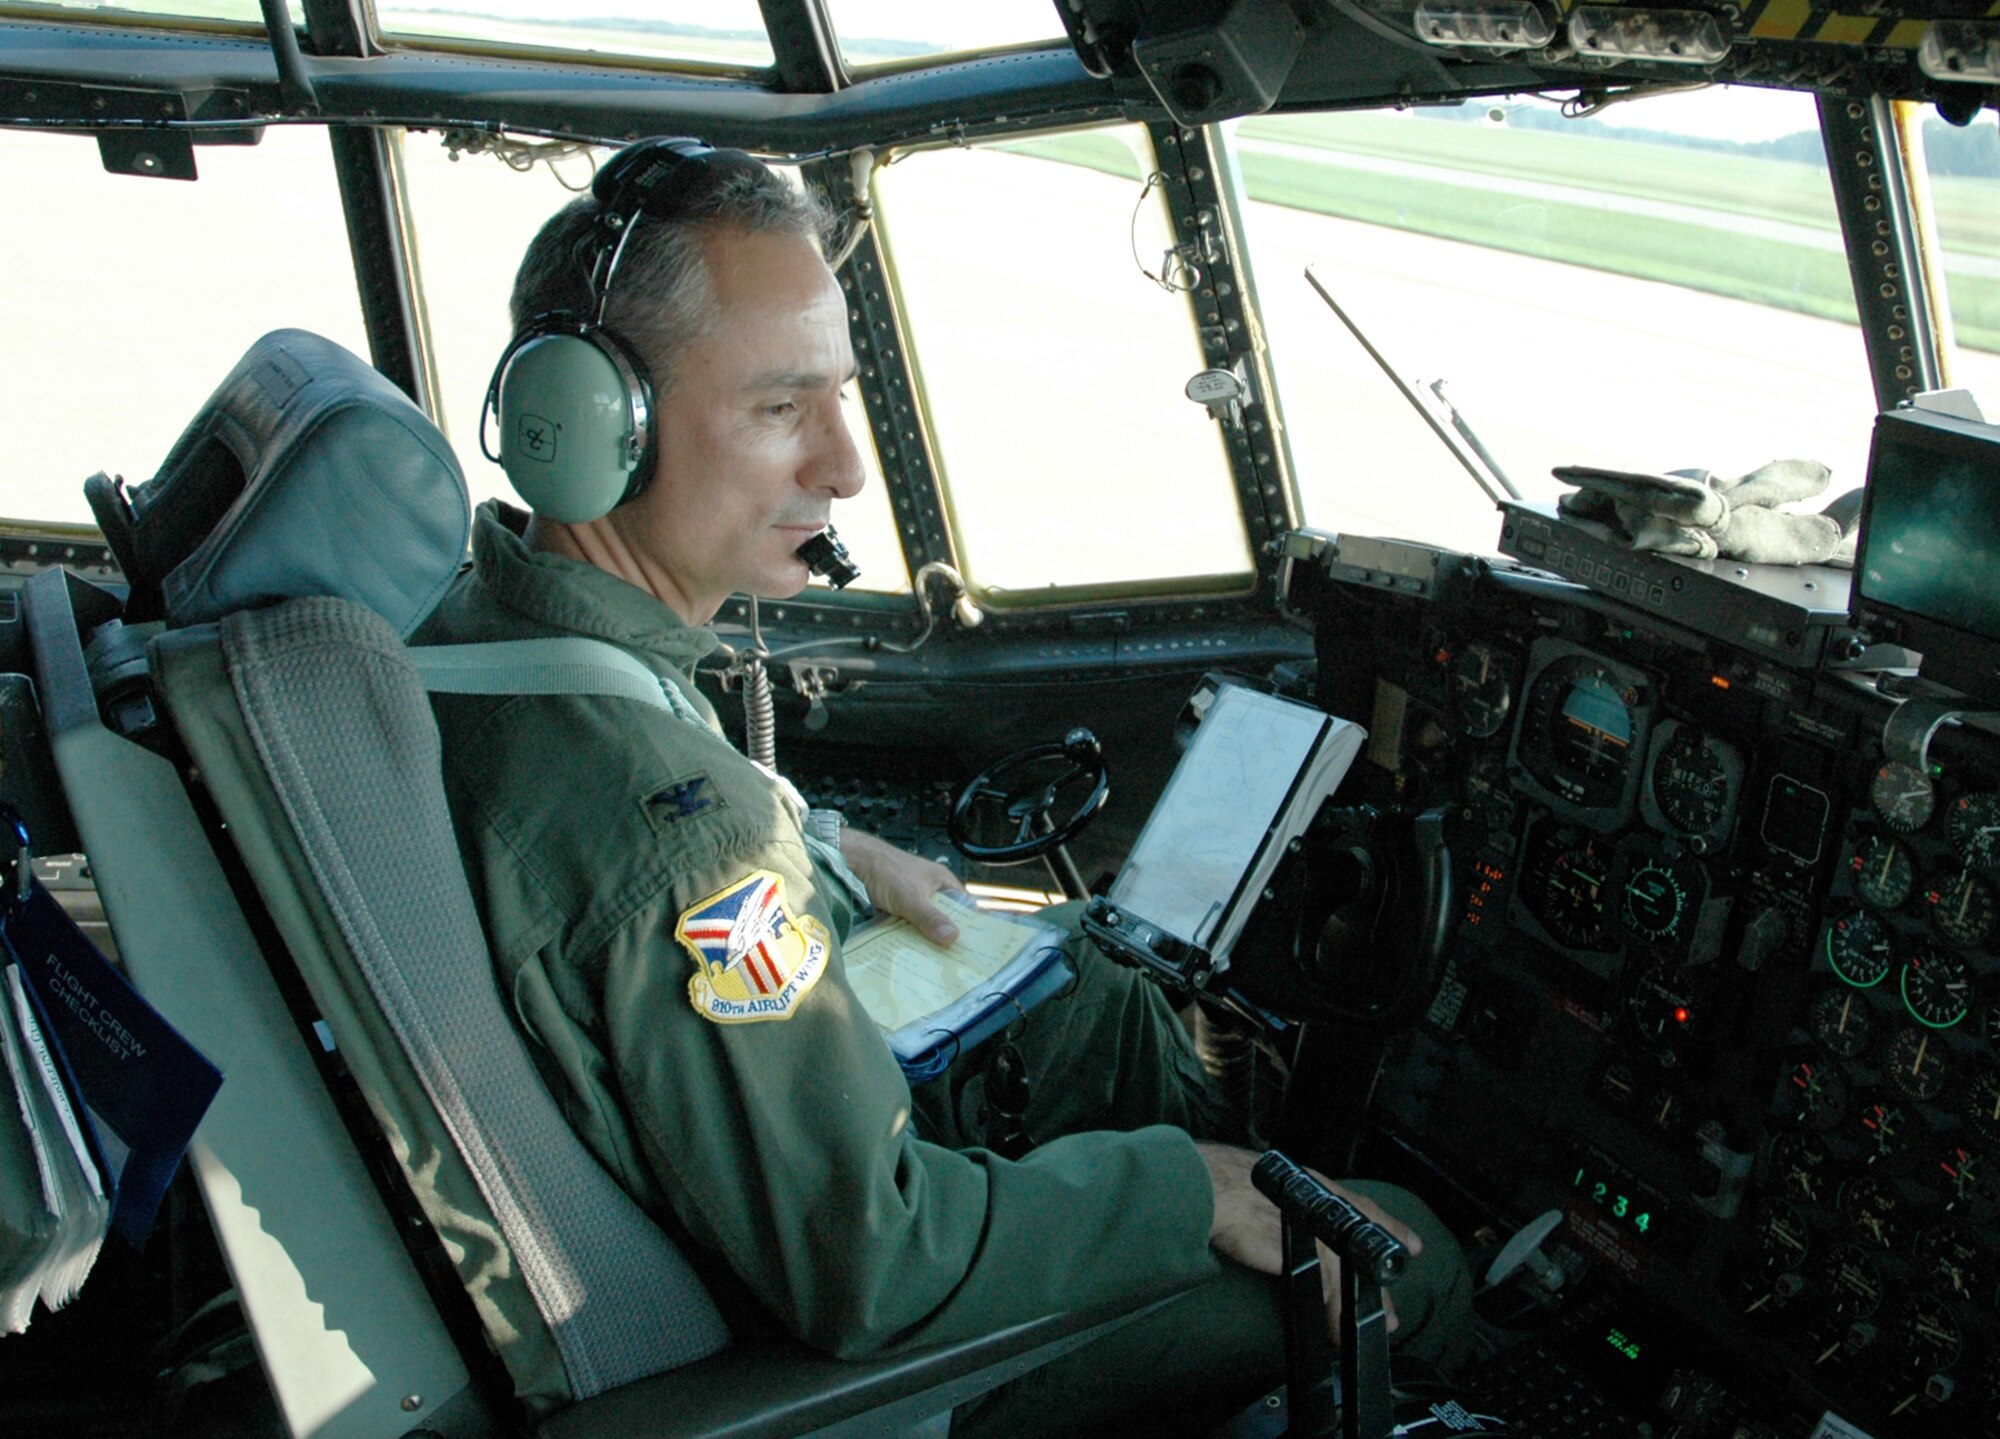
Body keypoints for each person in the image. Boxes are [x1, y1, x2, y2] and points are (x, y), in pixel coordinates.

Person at [416, 137, 1472, 1435]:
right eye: (778, 408)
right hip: (868, 1382)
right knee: (1410, 1254)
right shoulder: (677, 830)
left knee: (1088, 972)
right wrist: (1187, 1191)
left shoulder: (479, 644)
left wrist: (824, 842)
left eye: (841, 398)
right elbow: (878, 1264)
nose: (845, 467)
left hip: (725, 1214)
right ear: (587, 433)